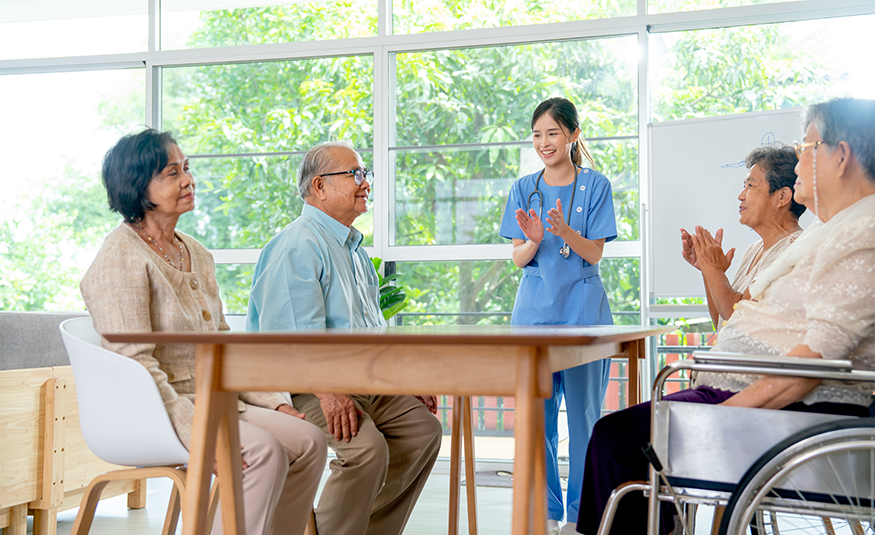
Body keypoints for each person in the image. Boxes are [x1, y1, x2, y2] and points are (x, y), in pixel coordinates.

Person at [576, 97, 875, 535]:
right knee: (620, 436)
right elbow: (741, 319)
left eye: (808, 146)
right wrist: (710, 273)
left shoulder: (858, 236)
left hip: (785, 408)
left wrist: (722, 418)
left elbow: (815, 360)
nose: (799, 155)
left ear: (841, 156)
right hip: (751, 389)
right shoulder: (834, 232)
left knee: (616, 438)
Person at [80, 129, 327, 535]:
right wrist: (197, 433)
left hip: (218, 402)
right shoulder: (119, 255)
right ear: (137, 186)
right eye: (172, 173)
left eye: (187, 168)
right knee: (262, 452)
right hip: (156, 411)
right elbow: (135, 364)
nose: (188, 180)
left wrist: (273, 403)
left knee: (308, 440)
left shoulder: (197, 253)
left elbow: (224, 347)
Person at [245, 141, 443, 535]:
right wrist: (328, 391)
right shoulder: (297, 245)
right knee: (366, 451)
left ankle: (355, 529)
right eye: (354, 174)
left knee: (424, 431)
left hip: (364, 382)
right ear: (319, 186)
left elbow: (372, 333)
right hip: (307, 388)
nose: (365, 182)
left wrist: (404, 381)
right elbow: (293, 343)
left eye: (364, 173)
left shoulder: (353, 249)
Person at [499, 97, 618, 535]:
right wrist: (532, 240)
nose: (544, 143)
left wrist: (566, 232)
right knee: (539, 421)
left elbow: (596, 253)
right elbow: (517, 258)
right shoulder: (523, 188)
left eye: (552, 133)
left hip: (583, 316)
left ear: (572, 135)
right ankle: (547, 513)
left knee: (585, 419)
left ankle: (582, 516)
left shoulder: (596, 186)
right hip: (533, 316)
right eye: (536, 135)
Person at [680, 145, 805, 329]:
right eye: (743, 186)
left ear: (782, 196)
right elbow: (723, 324)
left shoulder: (795, 249)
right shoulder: (754, 250)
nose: (740, 196)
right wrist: (707, 270)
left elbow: (739, 319)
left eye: (750, 186)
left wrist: (714, 269)